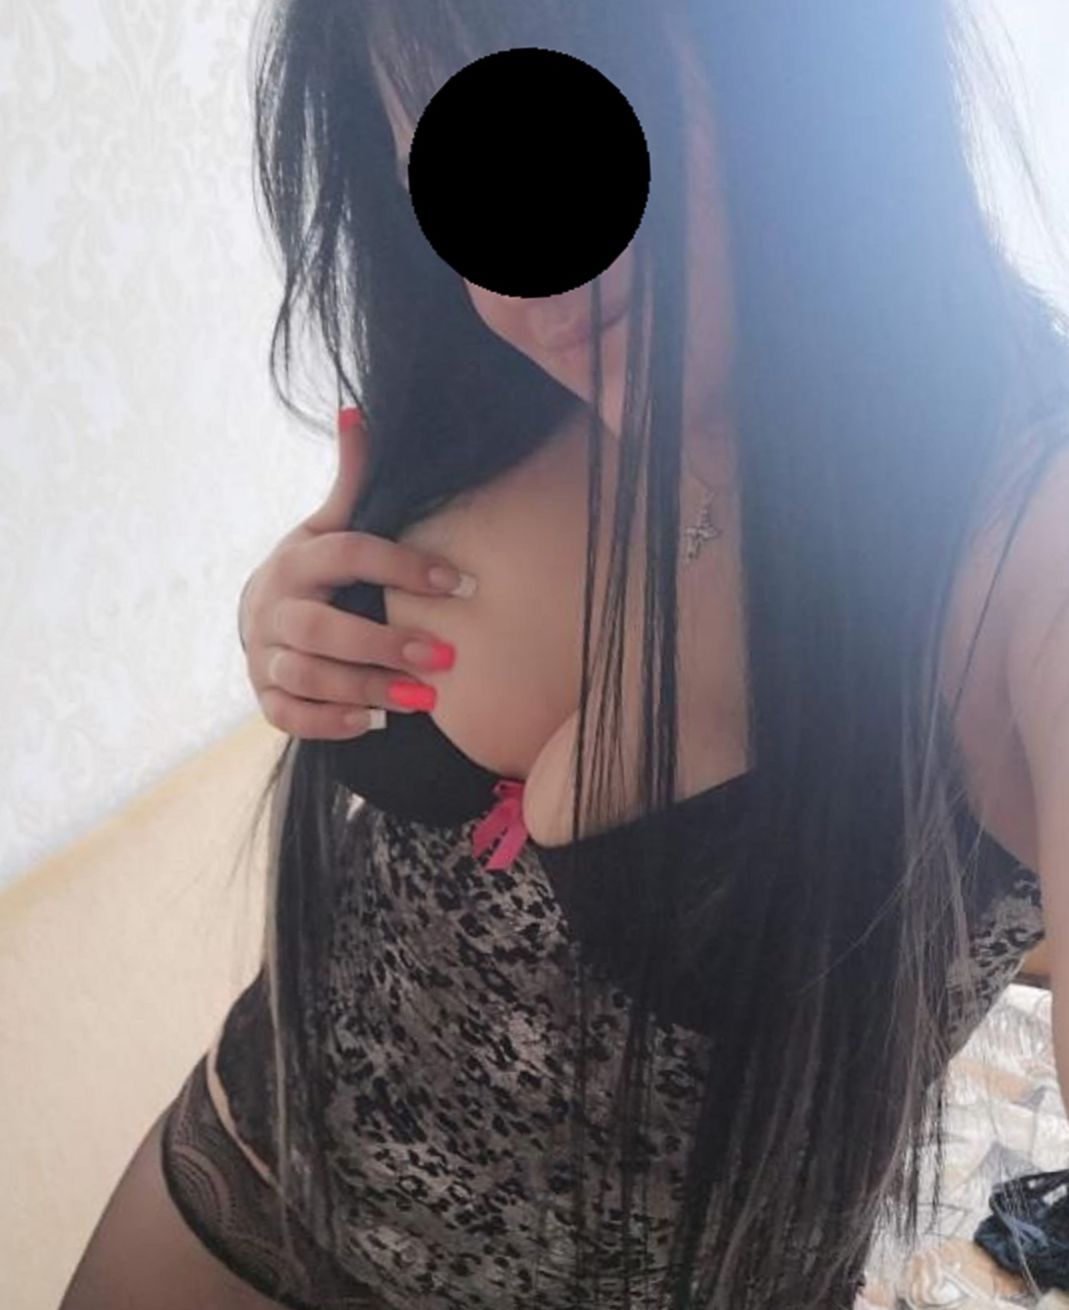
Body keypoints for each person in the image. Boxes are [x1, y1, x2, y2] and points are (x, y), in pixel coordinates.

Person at [59, 2, 1068, 1308]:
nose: (519, 283)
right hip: (254, 1166)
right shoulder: (522, 387)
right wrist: (293, 628)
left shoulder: (1022, 533)